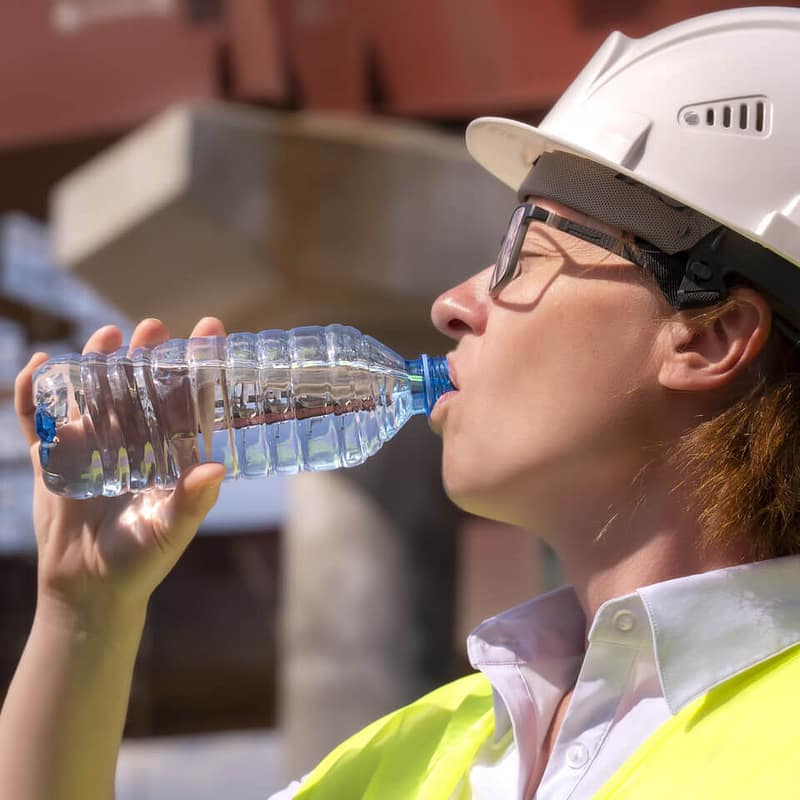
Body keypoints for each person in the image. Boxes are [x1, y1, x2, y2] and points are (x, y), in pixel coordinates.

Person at [3, 5, 800, 799]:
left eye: (522, 252)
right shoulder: (409, 755)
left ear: (710, 335)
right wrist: (85, 618)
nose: (451, 305)